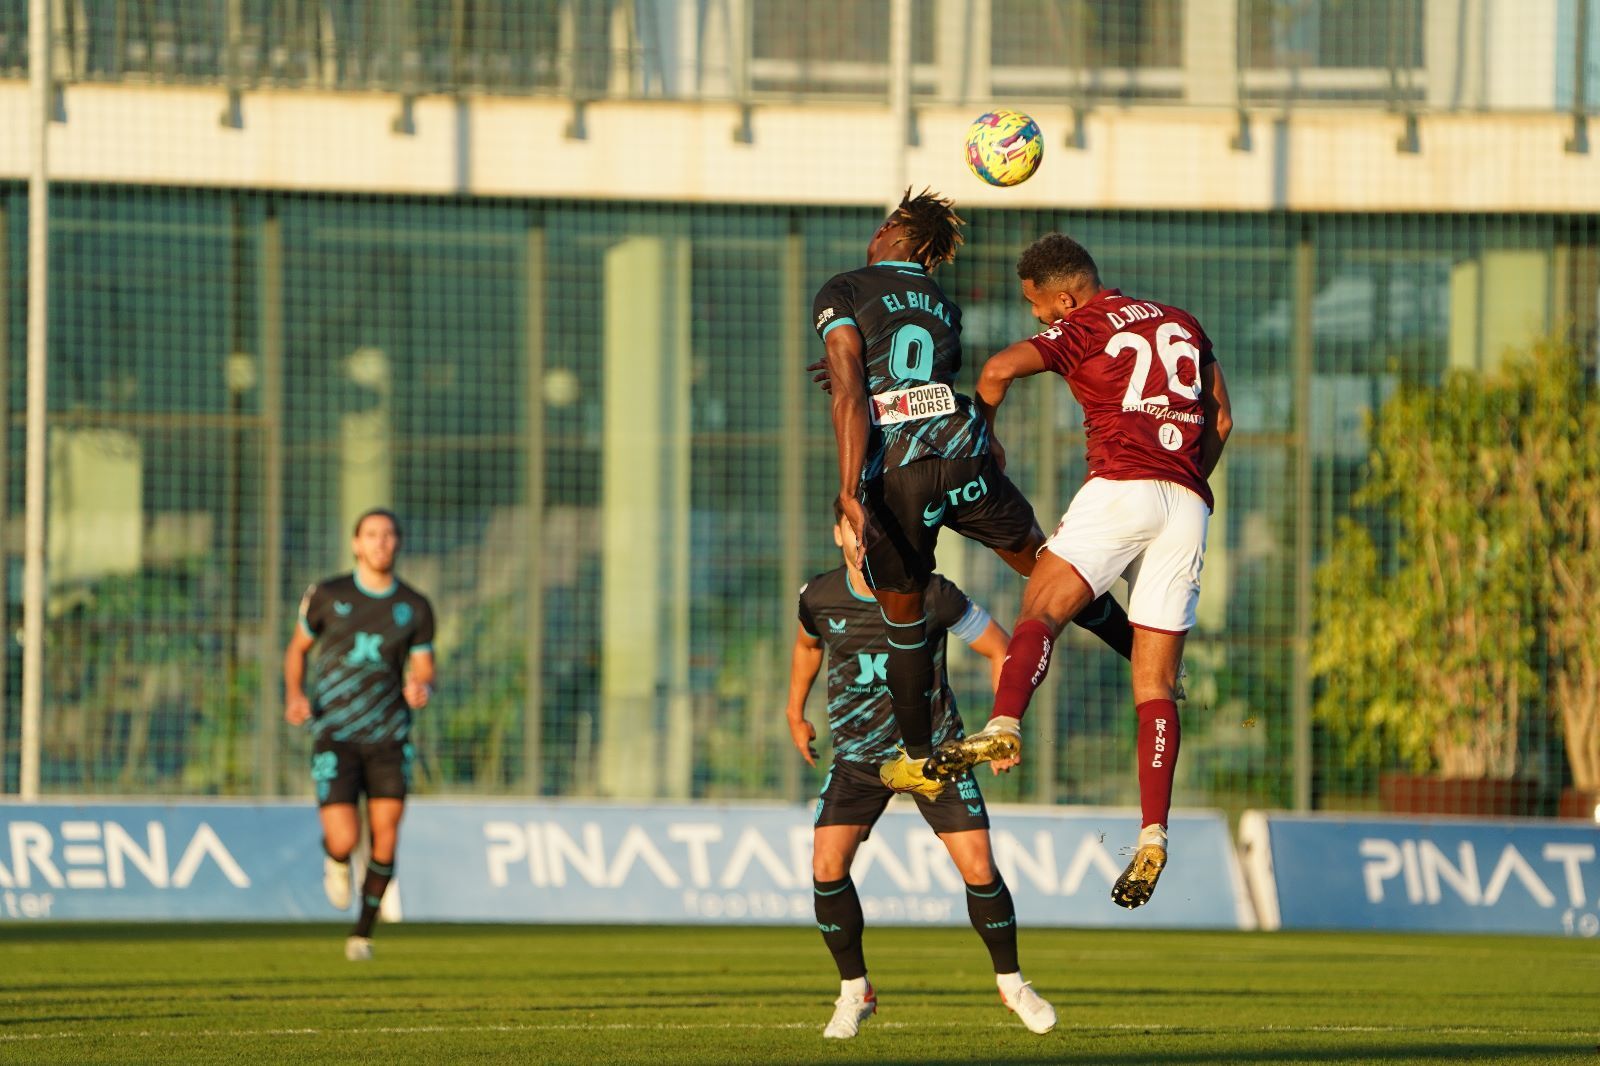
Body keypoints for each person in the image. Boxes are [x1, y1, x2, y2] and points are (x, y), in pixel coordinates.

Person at [925, 233, 1233, 910]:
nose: (1038, 317)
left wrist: (985, 435)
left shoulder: (1085, 324)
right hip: (1186, 504)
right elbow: (1222, 417)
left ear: (1064, 298)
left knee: (1041, 607)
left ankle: (1004, 723)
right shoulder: (1181, 321)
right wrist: (1184, 480)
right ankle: (1153, 833)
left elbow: (998, 370)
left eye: (1037, 305)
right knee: (1155, 685)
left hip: (1120, 485)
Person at [813, 187, 1136, 799]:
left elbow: (853, 393)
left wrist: (849, 489)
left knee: (904, 618)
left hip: (898, 474)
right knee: (1047, 570)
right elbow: (917, 378)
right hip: (964, 455)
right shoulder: (942, 304)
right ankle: (1146, 654)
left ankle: (917, 758)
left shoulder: (844, 288)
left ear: (891, 230)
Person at [786, 503, 1056, 1040]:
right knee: (826, 864)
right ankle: (855, 991)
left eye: (872, 532)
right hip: (860, 759)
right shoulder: (818, 596)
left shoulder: (933, 594)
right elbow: (807, 646)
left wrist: (1004, 725)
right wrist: (795, 713)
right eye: (854, 531)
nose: (863, 542)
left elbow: (1001, 649)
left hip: (936, 755)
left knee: (979, 867)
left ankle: (1012, 985)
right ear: (838, 534)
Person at [284, 508, 437, 960]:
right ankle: (336, 860)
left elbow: (425, 666)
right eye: (371, 535)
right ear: (356, 544)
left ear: (398, 543)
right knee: (345, 838)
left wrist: (422, 686)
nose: (380, 543)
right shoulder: (328, 595)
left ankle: (362, 934)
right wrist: (294, 694)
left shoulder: (414, 606)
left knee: (386, 834)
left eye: (388, 535)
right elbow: (297, 649)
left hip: (389, 736)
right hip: (336, 733)